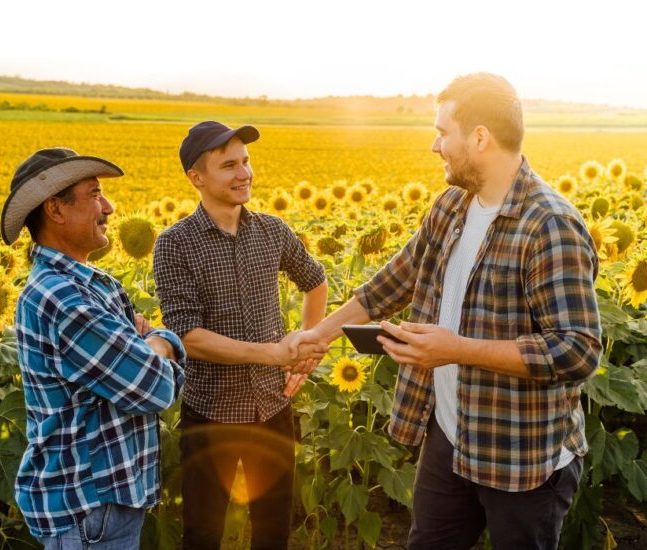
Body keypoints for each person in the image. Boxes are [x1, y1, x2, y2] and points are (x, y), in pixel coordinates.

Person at [289, 73, 602, 549]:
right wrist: (322, 335)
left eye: (442, 132)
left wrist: (457, 350)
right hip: (450, 438)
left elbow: (576, 351)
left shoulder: (548, 225)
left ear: (479, 138)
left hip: (521, 455)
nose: (435, 146)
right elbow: (398, 278)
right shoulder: (453, 205)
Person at [152, 121, 328, 549]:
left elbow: (316, 282)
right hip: (211, 413)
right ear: (197, 177)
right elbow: (187, 336)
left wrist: (304, 350)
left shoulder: (272, 231)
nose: (244, 173)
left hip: (272, 408)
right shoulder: (175, 244)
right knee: (203, 532)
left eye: (246, 162)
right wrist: (272, 354)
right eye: (229, 165)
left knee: (273, 531)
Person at [1, 148, 186, 549]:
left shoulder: (90, 283)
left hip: (105, 505)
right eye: (95, 194)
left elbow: (143, 363)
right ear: (55, 209)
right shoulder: (62, 299)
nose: (110, 207)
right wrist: (159, 340)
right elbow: (154, 387)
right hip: (88, 511)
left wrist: (148, 344)